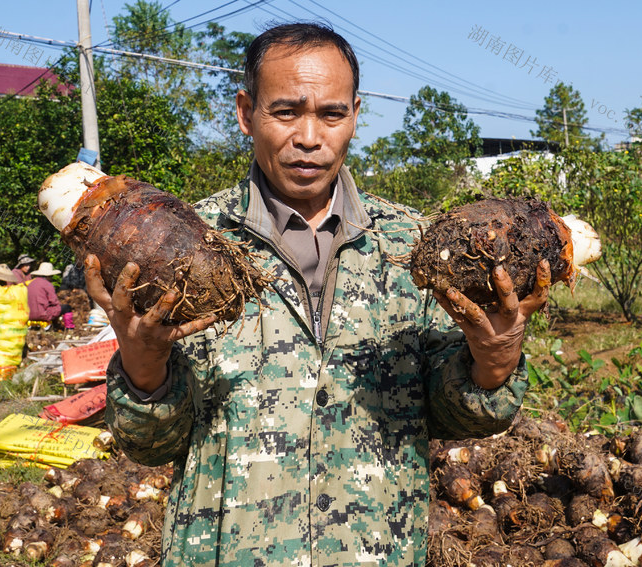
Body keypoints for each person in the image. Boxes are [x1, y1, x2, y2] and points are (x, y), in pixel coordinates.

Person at [87, 23, 550, 566]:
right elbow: (150, 447)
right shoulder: (184, 249)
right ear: (245, 112)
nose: (309, 136)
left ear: (354, 115)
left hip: (376, 551)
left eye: (331, 115)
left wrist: (493, 363)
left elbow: (460, 420)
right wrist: (144, 367)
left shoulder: (415, 249)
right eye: (285, 112)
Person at [26, 262, 73, 329]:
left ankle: (54, 326)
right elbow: (54, 302)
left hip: (28, 315)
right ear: (48, 276)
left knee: (52, 309)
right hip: (42, 315)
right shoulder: (47, 284)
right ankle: (69, 328)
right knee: (66, 307)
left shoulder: (30, 284)